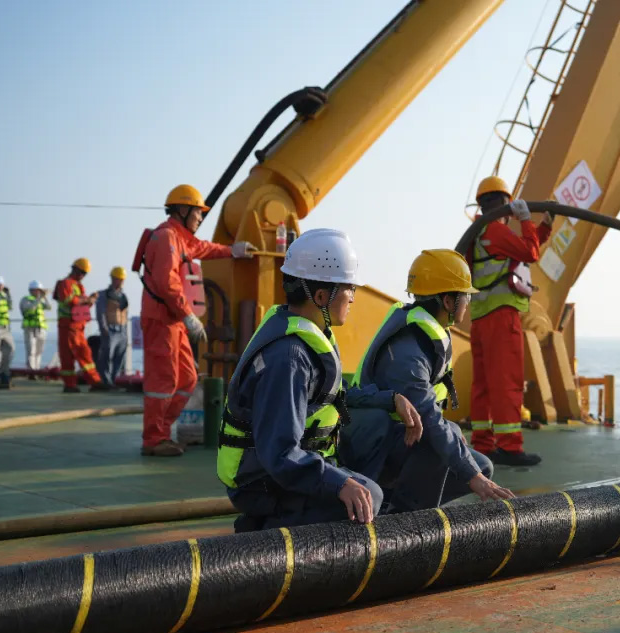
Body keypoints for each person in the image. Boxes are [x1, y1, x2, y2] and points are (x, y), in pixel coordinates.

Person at [216, 229, 423, 532]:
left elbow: (335, 396)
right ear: (322, 296)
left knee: (383, 428)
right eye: (348, 288)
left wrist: (389, 400)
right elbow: (280, 453)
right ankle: (265, 530)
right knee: (371, 496)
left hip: (293, 463)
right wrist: (339, 484)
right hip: (262, 482)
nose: (353, 297)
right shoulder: (290, 358)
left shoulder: (310, 332)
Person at [342, 250, 515, 513]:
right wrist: (472, 475)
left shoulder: (427, 334)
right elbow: (430, 420)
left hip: (397, 436)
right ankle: (403, 518)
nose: (467, 302)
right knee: (440, 445)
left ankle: (394, 502)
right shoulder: (408, 353)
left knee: (482, 467)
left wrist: (472, 469)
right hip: (371, 445)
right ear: (448, 301)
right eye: (464, 295)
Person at [138, 184, 256, 456]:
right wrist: (189, 315)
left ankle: (162, 433)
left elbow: (203, 248)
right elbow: (167, 284)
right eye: (197, 213)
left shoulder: (179, 238)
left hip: (173, 320)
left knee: (188, 378)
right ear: (182, 210)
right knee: (163, 381)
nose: (201, 218)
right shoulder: (167, 238)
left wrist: (232, 250)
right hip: (162, 320)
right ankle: (153, 439)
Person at [466, 176, 553, 466]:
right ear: (505, 203)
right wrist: (526, 220)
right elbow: (530, 252)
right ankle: (510, 447)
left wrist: (544, 226)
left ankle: (483, 443)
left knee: (483, 386)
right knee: (507, 383)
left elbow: (525, 247)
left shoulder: (478, 233)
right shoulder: (495, 230)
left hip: (479, 319)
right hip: (502, 316)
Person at [54, 259, 101, 393]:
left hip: (78, 326)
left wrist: (90, 300)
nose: (83, 276)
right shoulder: (65, 284)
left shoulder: (78, 286)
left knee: (84, 353)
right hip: (67, 326)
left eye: (84, 274)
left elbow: (82, 303)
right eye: (82, 272)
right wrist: (87, 300)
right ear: (75, 270)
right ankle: (70, 385)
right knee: (68, 356)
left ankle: (94, 381)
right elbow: (69, 300)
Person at [94, 266, 130, 390]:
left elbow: (125, 314)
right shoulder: (104, 295)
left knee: (119, 357)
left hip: (122, 331)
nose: (119, 282)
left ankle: (114, 381)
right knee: (106, 356)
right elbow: (101, 313)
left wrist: (125, 331)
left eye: (121, 279)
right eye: (116, 279)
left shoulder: (123, 297)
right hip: (110, 330)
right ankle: (106, 381)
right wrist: (104, 328)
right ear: (112, 279)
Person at [20, 281, 52, 376]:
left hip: (41, 329)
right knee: (31, 350)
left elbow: (49, 307)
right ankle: (31, 371)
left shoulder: (40, 300)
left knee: (39, 350)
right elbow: (29, 309)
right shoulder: (25, 300)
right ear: (32, 290)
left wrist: (45, 297)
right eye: (38, 290)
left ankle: (37, 370)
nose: (39, 292)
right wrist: (39, 298)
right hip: (30, 329)